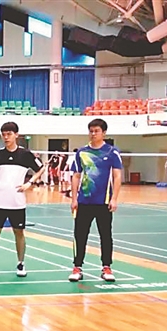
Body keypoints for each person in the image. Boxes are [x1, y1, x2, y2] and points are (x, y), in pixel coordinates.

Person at [0, 122, 44, 277]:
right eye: (3, 134)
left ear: (16, 135)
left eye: (9, 134)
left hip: (17, 202)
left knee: (19, 233)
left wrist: (29, 183)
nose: (6, 137)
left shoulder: (26, 155)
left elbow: (41, 168)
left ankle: (21, 263)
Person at [68, 119, 122, 283]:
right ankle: (77, 267)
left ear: (104, 133)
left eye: (96, 131)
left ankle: (106, 267)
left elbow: (117, 176)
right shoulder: (81, 152)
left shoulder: (112, 152)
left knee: (105, 236)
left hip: (103, 202)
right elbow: (76, 176)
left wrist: (114, 198)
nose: (93, 134)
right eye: (91, 131)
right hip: (84, 202)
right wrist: (74, 198)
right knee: (80, 235)